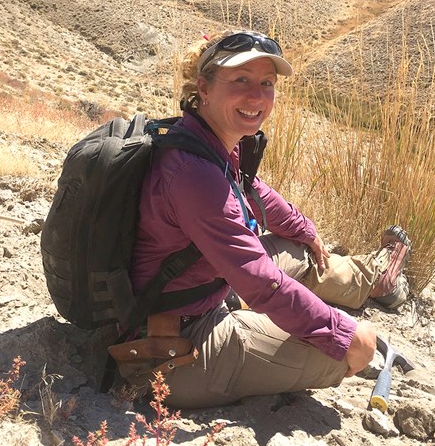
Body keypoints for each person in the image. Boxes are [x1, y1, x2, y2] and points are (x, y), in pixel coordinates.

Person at [126, 30, 411, 408]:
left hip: (203, 286)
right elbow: (259, 282)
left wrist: (305, 230)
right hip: (176, 345)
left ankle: (373, 279)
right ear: (204, 88)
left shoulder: (204, 140)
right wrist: (346, 335)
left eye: (267, 83)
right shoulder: (194, 173)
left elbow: (251, 190)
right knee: (341, 353)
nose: (257, 96)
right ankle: (360, 301)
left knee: (296, 247)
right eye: (240, 80)